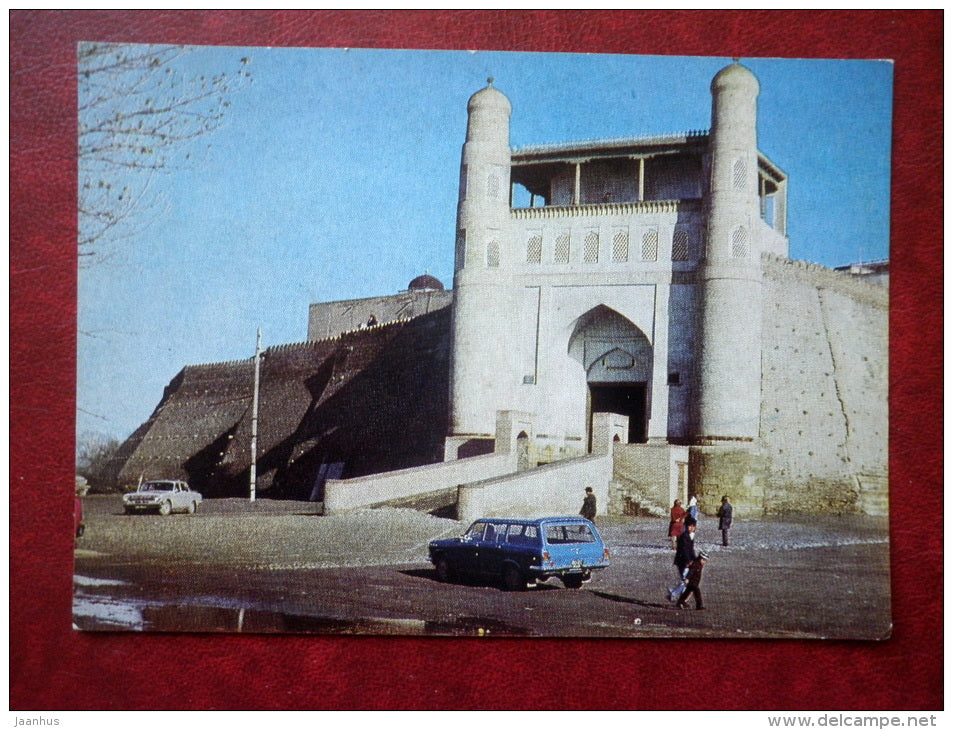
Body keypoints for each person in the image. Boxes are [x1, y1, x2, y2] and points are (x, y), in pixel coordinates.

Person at [668, 517, 697, 602]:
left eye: (693, 526)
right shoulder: (684, 537)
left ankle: (681, 599)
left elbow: (691, 550)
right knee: (686, 581)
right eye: (690, 526)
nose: (692, 528)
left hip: (686, 562)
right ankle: (674, 593)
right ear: (686, 526)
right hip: (683, 562)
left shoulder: (689, 536)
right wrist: (688, 561)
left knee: (686, 581)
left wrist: (695, 560)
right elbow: (684, 551)